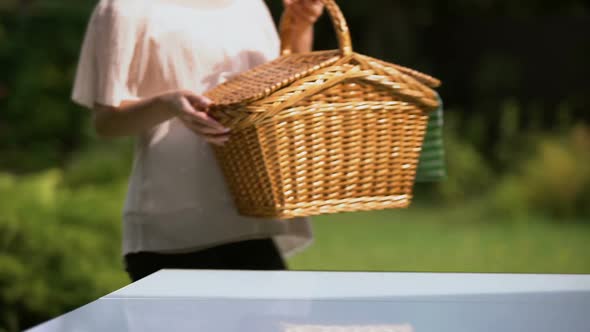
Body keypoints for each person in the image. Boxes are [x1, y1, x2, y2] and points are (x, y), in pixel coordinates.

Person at [71, 0, 324, 282]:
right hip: (172, 232)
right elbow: (106, 122)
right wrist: (167, 104)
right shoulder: (125, 9)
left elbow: (286, 97)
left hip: (251, 223)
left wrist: (300, 27)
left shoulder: (250, 6)